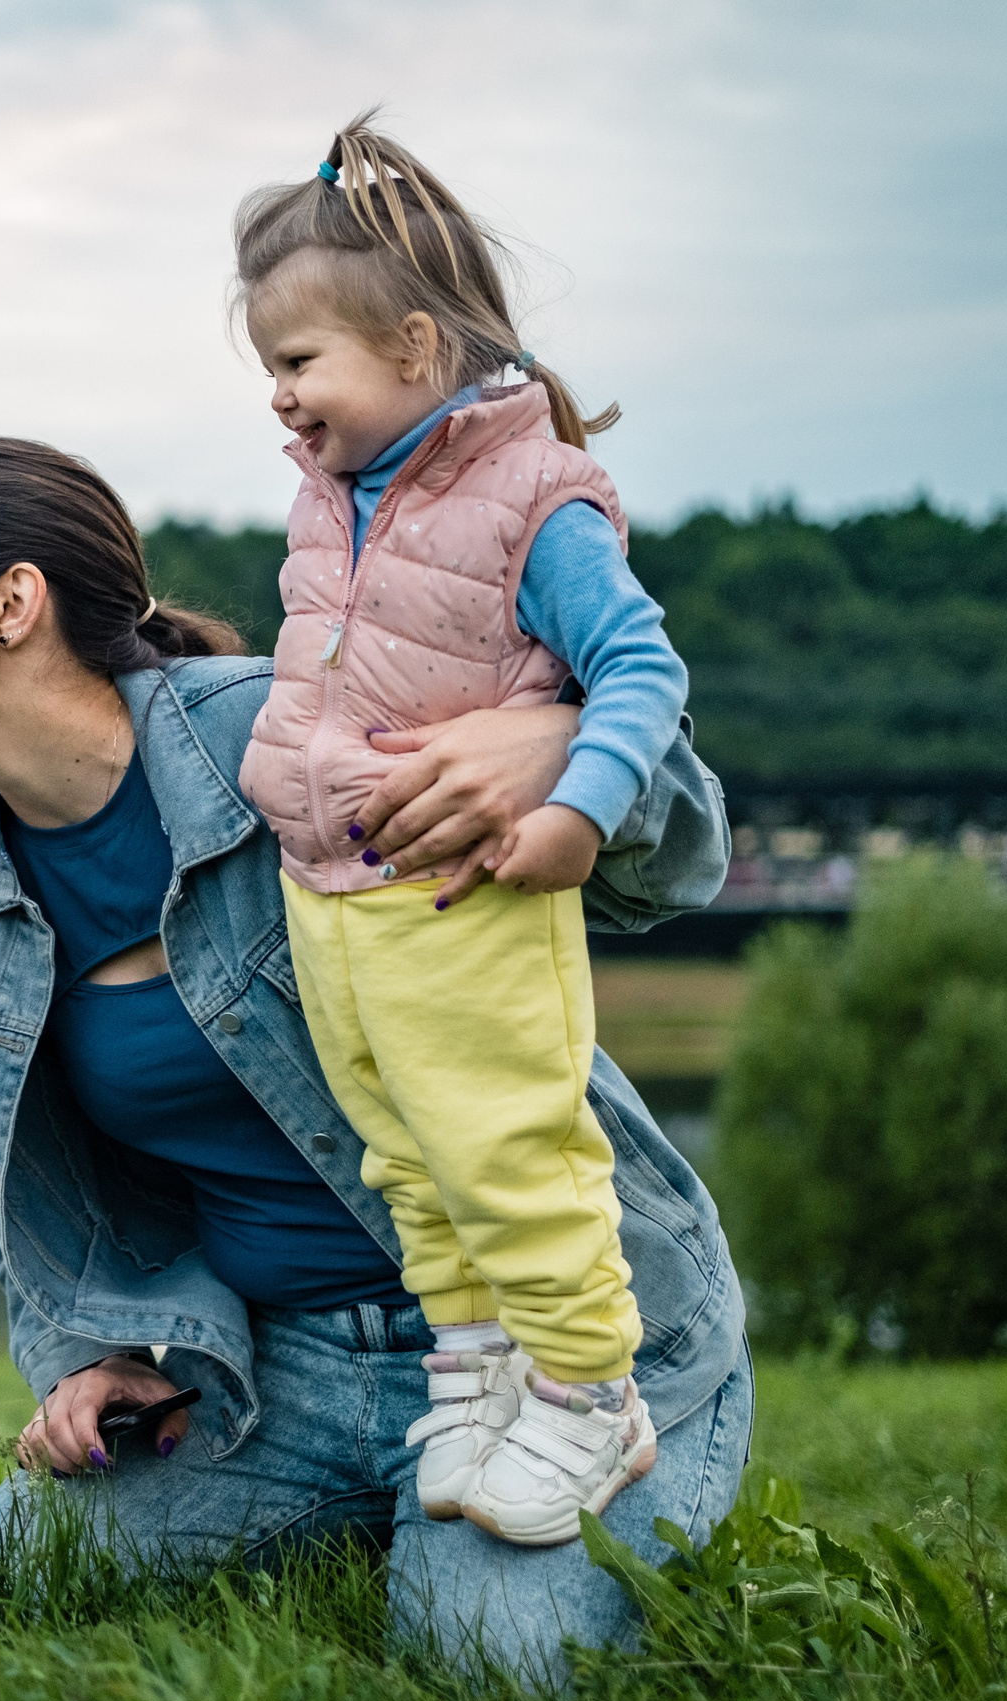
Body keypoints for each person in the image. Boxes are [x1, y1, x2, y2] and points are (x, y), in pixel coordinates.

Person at [0, 435, 746, 1681]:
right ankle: (376, 1522)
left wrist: (562, 744)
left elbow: (680, 859)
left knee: (488, 1668)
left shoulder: (295, 728)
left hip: (552, 1344)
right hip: (268, 1377)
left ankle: (525, 1531)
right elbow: (1, 1191)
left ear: (13, 602)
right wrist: (85, 1359)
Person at [233, 113, 691, 1545]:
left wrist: (574, 809)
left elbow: (643, 669)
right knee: (407, 1154)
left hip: (464, 899)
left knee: (509, 1147)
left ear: (418, 350)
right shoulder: (330, 502)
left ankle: (587, 1389)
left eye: (298, 365)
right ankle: (485, 1365)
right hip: (335, 895)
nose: (280, 401)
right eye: (269, 372)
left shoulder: (532, 500)